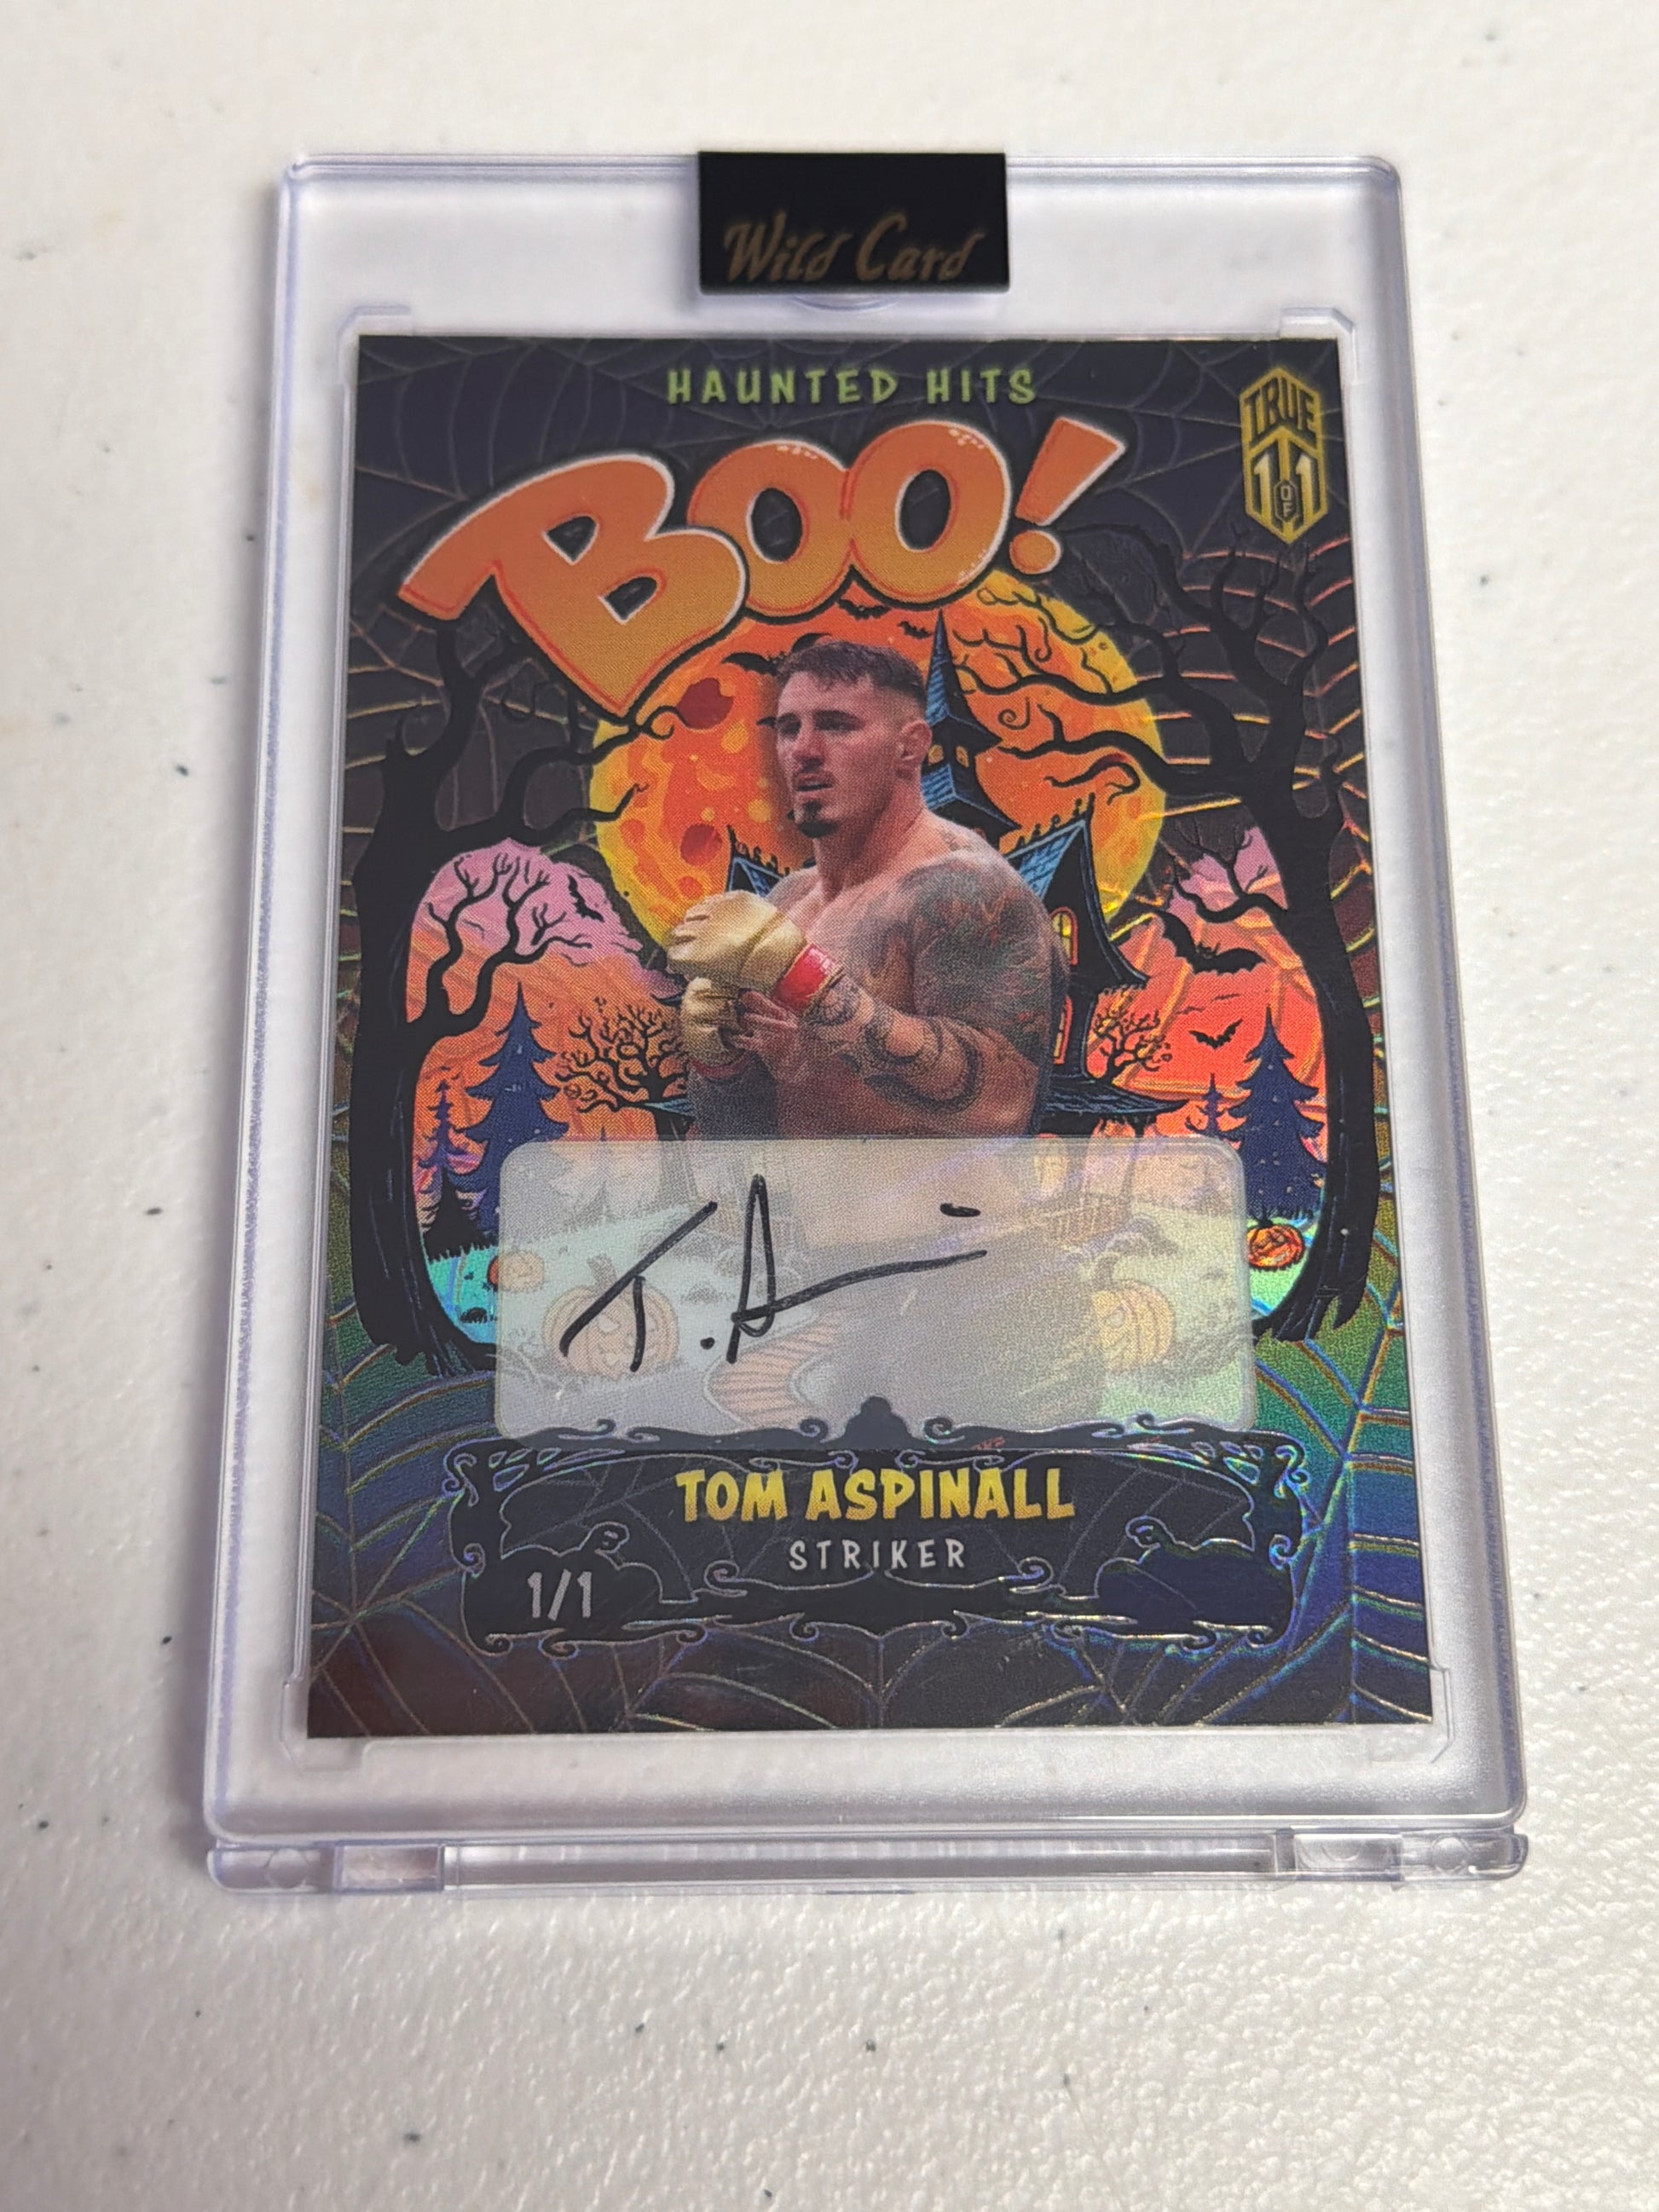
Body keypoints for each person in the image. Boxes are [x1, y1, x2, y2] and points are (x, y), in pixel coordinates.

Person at [668, 638, 1065, 1139]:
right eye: (789, 729)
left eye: (836, 725)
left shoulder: (964, 889)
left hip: (942, 1196)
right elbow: (741, 1135)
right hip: (796, 1193)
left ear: (910, 746)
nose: (804, 750)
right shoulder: (788, 902)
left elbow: (1000, 1108)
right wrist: (721, 1066)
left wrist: (803, 979)